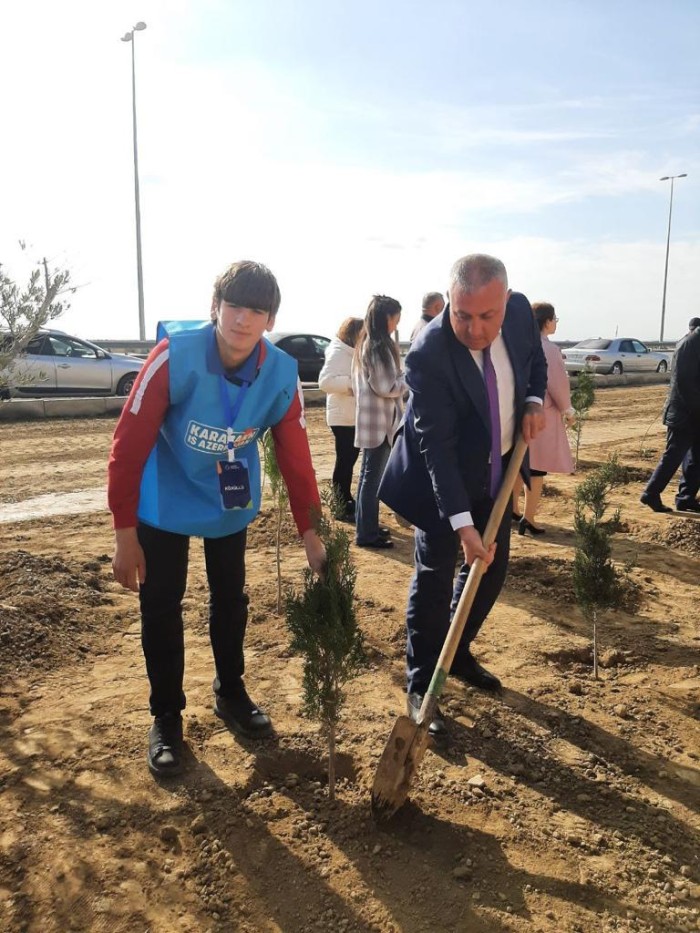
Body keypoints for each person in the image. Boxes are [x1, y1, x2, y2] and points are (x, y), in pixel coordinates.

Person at [108, 260, 326, 778]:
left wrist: (311, 533)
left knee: (230, 599)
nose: (243, 319)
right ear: (215, 308)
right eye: (234, 306)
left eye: (257, 310)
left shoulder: (280, 373)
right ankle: (166, 716)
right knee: (161, 604)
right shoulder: (173, 358)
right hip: (166, 499)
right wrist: (124, 534)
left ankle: (231, 691)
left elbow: (296, 459)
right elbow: (128, 445)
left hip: (228, 500)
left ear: (270, 320)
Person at [379, 254, 546, 737]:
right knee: (434, 579)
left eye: (485, 317)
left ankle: (456, 652)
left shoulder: (517, 313)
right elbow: (437, 448)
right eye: (462, 315)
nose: (474, 329)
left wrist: (533, 400)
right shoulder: (429, 354)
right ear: (448, 302)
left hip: (495, 471)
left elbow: (532, 362)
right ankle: (420, 681)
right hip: (440, 483)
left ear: (505, 302)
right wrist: (462, 523)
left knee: (489, 577)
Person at [512, 302, 575, 535]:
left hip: (517, 412)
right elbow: (557, 383)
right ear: (547, 321)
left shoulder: (518, 344)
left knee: (519, 464)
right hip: (541, 414)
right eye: (555, 319)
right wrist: (568, 410)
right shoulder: (548, 349)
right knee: (536, 470)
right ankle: (528, 518)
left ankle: (514, 509)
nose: (555, 323)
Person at [352, 295, 405, 548]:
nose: (396, 324)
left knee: (367, 479)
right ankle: (367, 534)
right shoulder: (378, 346)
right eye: (395, 318)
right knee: (371, 482)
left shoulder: (367, 343)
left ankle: (367, 528)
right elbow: (387, 386)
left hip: (372, 421)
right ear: (386, 317)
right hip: (380, 424)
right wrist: (408, 381)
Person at [641, 317, 700, 513]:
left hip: (693, 412)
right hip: (685, 413)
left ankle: (686, 497)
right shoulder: (690, 343)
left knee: (696, 457)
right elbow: (684, 382)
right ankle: (651, 493)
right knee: (674, 455)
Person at [318, 317, 364, 522]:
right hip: (342, 417)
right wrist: (352, 384)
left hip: (348, 415)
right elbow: (325, 382)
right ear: (353, 333)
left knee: (349, 459)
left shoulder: (350, 351)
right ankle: (340, 502)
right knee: (345, 461)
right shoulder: (339, 352)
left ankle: (345, 499)